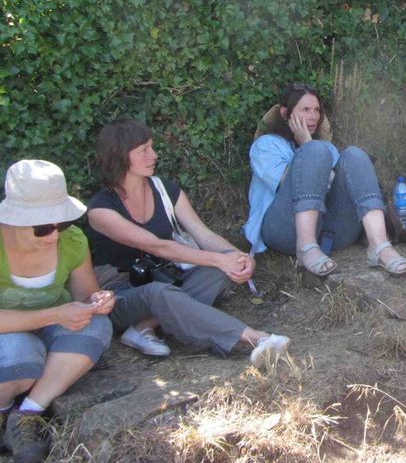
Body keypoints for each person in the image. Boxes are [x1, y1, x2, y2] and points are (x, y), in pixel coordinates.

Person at [87, 119, 288, 363]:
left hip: (165, 276)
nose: (154, 155)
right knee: (160, 292)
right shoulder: (101, 209)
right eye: (143, 150)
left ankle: (145, 326)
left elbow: (203, 234)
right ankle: (255, 338)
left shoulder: (164, 189)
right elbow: (156, 245)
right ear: (120, 157)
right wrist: (219, 259)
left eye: (152, 147)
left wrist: (238, 257)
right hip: (120, 294)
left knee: (220, 270)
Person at [0, 159, 114, 463]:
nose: (54, 235)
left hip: (51, 346)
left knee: (98, 324)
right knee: (18, 347)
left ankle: (28, 413)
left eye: (61, 223)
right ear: (14, 220)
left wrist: (99, 300)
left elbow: (86, 295)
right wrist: (56, 315)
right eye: (43, 228)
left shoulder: (72, 241)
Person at [243, 84, 406, 276]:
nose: (314, 116)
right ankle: (305, 248)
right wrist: (308, 147)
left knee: (355, 155)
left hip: (331, 231)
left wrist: (311, 146)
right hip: (284, 230)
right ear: (285, 113)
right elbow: (290, 187)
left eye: (316, 110)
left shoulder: (327, 148)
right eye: (305, 109)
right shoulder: (266, 145)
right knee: (314, 151)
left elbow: (332, 187)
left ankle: (379, 246)